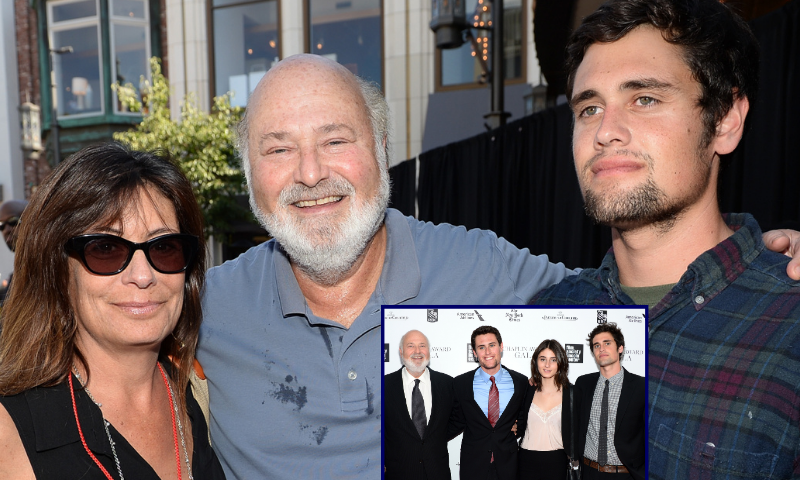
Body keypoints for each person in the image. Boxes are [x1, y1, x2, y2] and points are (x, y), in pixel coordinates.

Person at [197, 52, 800, 478]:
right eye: (277, 149)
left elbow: (635, 297)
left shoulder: (484, 267)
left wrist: (759, 265)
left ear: (382, 152)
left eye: (335, 140)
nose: (309, 173)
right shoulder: (202, 308)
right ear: (250, 178)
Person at [530, 0, 800, 477]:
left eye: (645, 99)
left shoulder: (789, 325)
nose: (606, 132)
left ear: (725, 122)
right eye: (589, 108)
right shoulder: (544, 317)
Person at [0, 143, 225, 479]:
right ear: (58, 271)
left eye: (164, 247)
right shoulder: (10, 431)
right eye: (106, 248)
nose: (143, 276)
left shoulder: (199, 394)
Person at [449, 326, 529, 480]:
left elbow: (525, 417)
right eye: (481, 347)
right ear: (474, 352)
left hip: (509, 464)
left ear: (501, 346)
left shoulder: (521, 382)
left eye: (492, 345)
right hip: (473, 465)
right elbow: (455, 421)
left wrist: (519, 428)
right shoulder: (460, 383)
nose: (487, 352)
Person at [575, 324, 644, 480]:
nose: (601, 349)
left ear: (620, 348)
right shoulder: (583, 384)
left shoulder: (641, 386)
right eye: (596, 345)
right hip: (589, 472)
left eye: (607, 343)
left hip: (626, 474)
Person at [384, 329, 455, 480]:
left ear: (429, 351)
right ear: (401, 351)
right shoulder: (384, 385)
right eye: (411, 346)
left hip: (437, 472)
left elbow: (459, 419)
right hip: (398, 473)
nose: (417, 351)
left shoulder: (447, 384)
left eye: (422, 346)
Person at [516, 339, 581, 480]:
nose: (547, 365)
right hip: (526, 460)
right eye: (543, 359)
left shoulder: (572, 393)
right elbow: (518, 422)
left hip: (557, 462)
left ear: (561, 362)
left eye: (553, 360)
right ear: (535, 362)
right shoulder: (526, 390)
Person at [0, 199, 27, 308]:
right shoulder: (18, 272)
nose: (6, 230)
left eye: (13, 222)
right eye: (1, 226)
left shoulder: (45, 269)